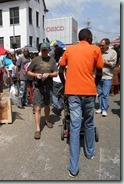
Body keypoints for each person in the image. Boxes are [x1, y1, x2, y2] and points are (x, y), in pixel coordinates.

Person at [59, 28, 104, 178]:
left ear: (79, 38)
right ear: (90, 38)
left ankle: (73, 168)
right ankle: (89, 153)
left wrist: (66, 84)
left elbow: (61, 70)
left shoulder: (70, 50)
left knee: (75, 126)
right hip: (89, 92)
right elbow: (99, 71)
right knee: (89, 123)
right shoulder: (95, 49)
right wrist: (94, 85)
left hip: (72, 92)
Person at [27, 42, 58, 140]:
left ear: (49, 50)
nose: (44, 51)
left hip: (48, 86)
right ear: (40, 50)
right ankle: (37, 129)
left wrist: (48, 74)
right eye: (42, 49)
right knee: (37, 108)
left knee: (47, 105)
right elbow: (28, 71)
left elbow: (56, 73)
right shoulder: (36, 59)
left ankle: (47, 120)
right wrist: (36, 75)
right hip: (38, 86)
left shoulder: (52, 60)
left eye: (46, 49)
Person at [96, 38, 117, 117]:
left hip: (107, 76)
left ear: (107, 45)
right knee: (100, 94)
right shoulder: (98, 51)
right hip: (99, 76)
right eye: (100, 45)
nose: (101, 47)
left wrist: (103, 61)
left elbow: (112, 64)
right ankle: (101, 108)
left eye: (103, 45)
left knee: (105, 94)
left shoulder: (113, 53)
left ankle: (104, 109)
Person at [51, 47, 65, 116]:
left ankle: (58, 106)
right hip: (62, 80)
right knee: (61, 95)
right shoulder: (64, 59)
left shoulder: (53, 60)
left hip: (55, 79)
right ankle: (59, 106)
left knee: (54, 94)